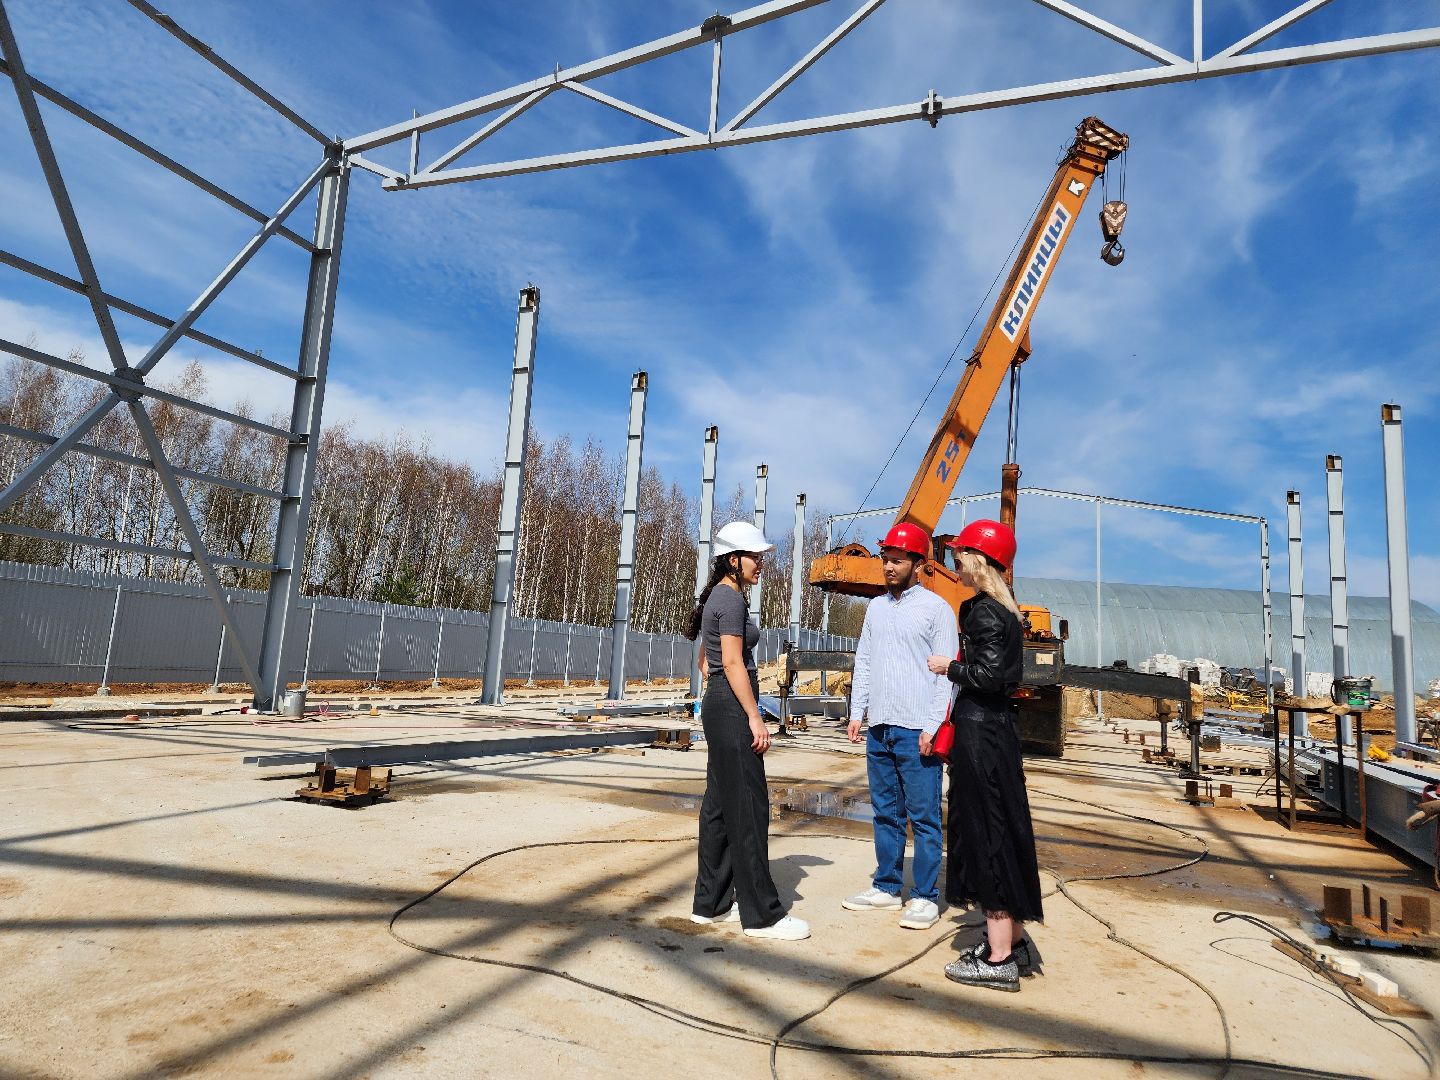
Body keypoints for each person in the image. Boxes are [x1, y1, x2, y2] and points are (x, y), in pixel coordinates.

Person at [927, 519, 1044, 993]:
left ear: (979, 560)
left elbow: (991, 676)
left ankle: (997, 960)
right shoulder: (1004, 611)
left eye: (960, 557)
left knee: (986, 832)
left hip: (980, 735)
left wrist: (948, 666)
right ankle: (1010, 942)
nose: (954, 564)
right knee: (1005, 828)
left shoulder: (984, 613)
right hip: (996, 732)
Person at [687, 521, 810, 941]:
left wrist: (719, 690)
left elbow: (707, 661)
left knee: (720, 805)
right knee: (749, 809)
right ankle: (763, 915)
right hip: (734, 709)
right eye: (755, 557)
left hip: (719, 705)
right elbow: (734, 663)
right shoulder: (732, 600)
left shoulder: (715, 598)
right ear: (733, 559)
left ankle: (711, 902)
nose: (761, 564)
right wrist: (755, 716)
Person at [842, 523, 958, 931]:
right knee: (886, 814)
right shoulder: (875, 608)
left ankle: (926, 896)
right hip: (881, 727)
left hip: (916, 730)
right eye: (885, 559)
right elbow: (866, 661)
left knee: (924, 816)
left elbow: (946, 675)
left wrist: (932, 725)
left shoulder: (936, 610)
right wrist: (859, 713)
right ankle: (887, 887)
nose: (888, 566)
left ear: (918, 564)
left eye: (897, 559)